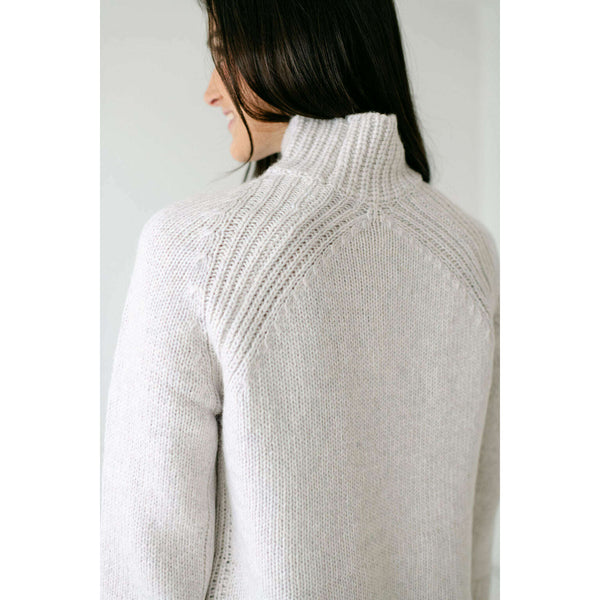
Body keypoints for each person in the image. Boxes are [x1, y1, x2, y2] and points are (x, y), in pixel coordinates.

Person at [100, 1, 500, 599]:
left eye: (224, 54)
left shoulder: (197, 248)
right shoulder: (469, 254)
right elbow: (474, 538)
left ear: (291, 48)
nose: (211, 92)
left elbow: (147, 553)